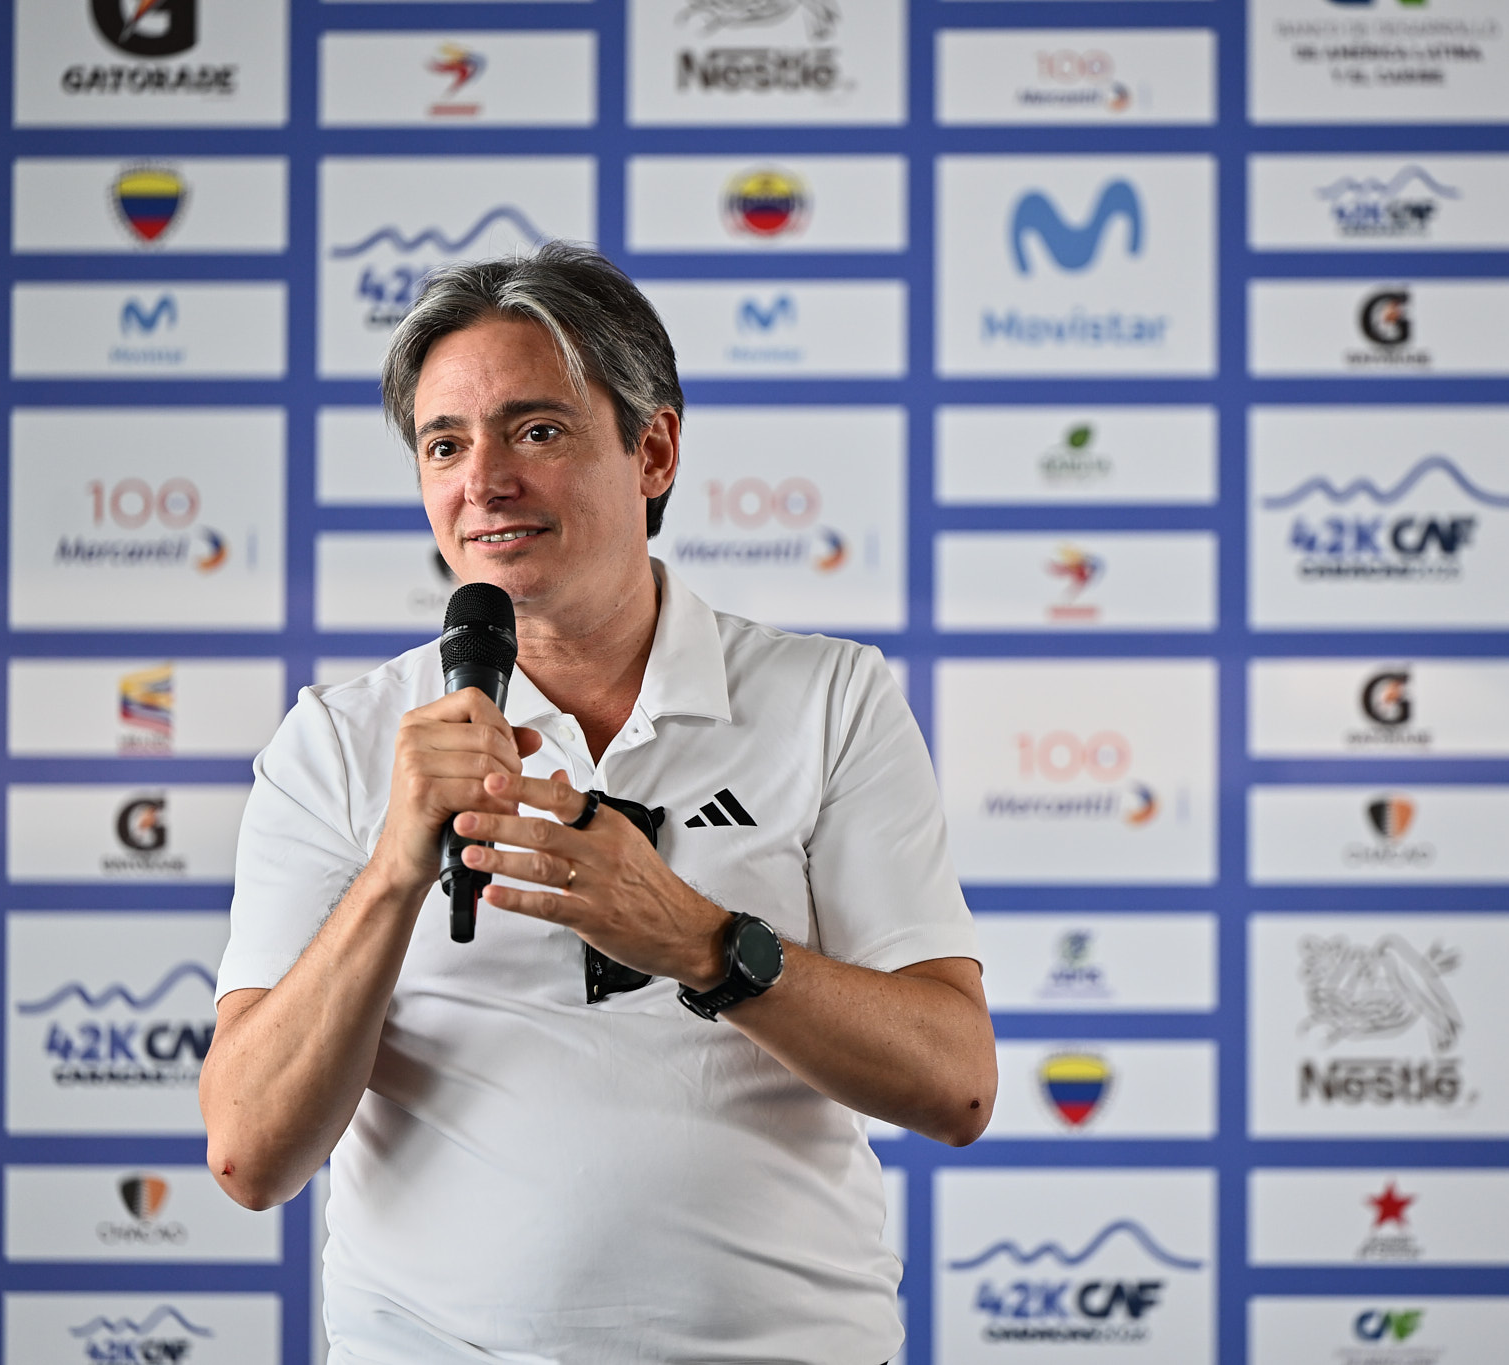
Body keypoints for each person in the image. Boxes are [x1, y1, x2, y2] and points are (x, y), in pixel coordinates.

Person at [199, 242, 996, 1365]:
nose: (483, 482)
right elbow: (248, 1155)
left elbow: (955, 1086)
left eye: (535, 431)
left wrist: (701, 941)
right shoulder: (335, 741)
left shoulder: (830, 699)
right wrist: (393, 871)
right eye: (443, 444)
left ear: (652, 449)